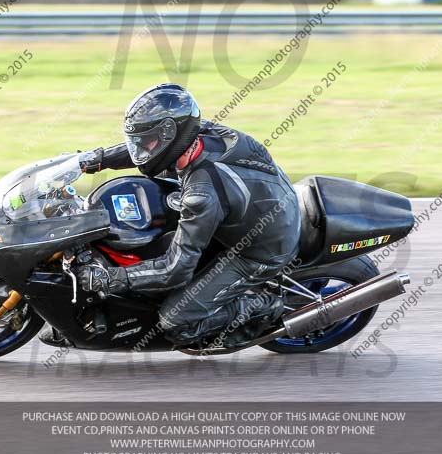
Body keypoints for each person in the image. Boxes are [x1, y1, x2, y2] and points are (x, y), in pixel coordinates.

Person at [42, 83, 300, 347]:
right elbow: (145, 152)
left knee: (175, 321)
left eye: (147, 142)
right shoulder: (199, 132)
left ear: (171, 137)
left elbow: (175, 270)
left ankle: (266, 307)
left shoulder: (201, 193)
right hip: (263, 202)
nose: (140, 150)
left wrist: (112, 279)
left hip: (261, 250)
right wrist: (93, 160)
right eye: (138, 141)